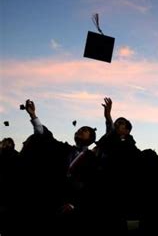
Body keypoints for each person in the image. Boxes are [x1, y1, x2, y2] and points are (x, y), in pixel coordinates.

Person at [19, 99, 99, 236]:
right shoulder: (64, 149)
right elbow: (46, 137)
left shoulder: (93, 160)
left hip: (76, 209)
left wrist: (74, 204)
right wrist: (33, 115)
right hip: (53, 200)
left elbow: (91, 186)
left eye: (85, 130)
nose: (80, 130)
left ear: (91, 139)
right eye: (79, 129)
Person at [94, 97, 144, 235]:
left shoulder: (130, 146)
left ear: (127, 131)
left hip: (121, 190)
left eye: (121, 123)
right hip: (104, 187)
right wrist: (108, 117)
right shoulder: (108, 141)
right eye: (117, 122)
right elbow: (108, 136)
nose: (117, 124)